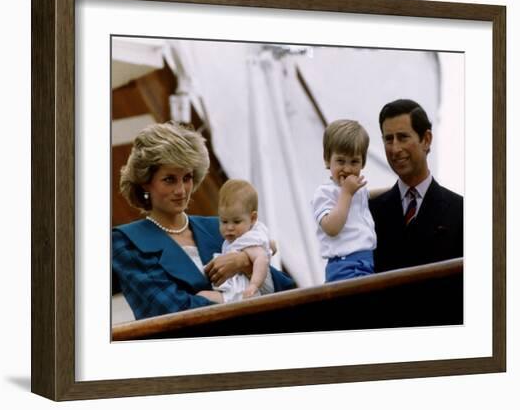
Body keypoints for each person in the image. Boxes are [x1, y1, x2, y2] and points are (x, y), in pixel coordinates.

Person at [112, 122, 295, 320]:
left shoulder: (222, 227)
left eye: (187, 177)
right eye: (169, 179)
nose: (181, 190)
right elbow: (174, 312)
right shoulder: (126, 242)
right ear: (145, 182)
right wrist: (242, 298)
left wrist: (245, 262)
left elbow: (284, 290)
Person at [369, 98, 463, 273]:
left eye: (403, 137)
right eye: (388, 139)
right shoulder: (369, 213)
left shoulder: (461, 212)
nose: (395, 149)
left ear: (426, 140)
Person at [311, 119, 377, 282]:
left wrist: (395, 190)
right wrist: (346, 194)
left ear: (363, 163)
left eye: (354, 162)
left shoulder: (356, 190)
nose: (347, 169)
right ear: (327, 159)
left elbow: (368, 196)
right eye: (340, 161)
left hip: (366, 262)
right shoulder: (325, 192)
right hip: (344, 266)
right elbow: (331, 227)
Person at [208, 179, 272, 303]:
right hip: (235, 289)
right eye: (224, 221)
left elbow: (261, 258)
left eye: (236, 222)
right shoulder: (243, 237)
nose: (229, 227)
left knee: (203, 296)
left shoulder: (248, 240)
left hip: (243, 292)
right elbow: (270, 246)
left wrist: (254, 285)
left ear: (252, 218)